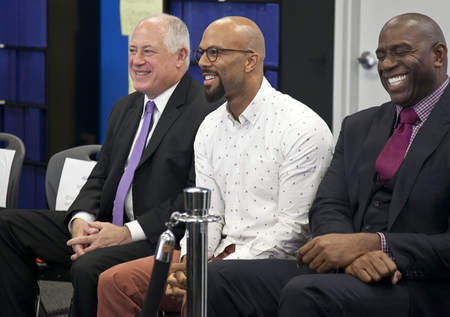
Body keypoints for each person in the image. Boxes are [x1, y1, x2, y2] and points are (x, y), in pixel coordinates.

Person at [205, 12, 450, 317]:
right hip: (350, 273)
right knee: (216, 280)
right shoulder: (359, 126)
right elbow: (328, 205)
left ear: (438, 55)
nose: (387, 65)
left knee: (307, 293)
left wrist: (374, 245)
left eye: (400, 52)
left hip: (428, 287)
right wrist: (349, 256)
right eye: (382, 55)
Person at [95, 16, 334, 317]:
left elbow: (292, 231)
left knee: (200, 292)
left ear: (250, 61)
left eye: (215, 53)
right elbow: (207, 216)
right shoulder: (210, 126)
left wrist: (209, 270)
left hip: (274, 265)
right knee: (115, 282)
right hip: (214, 258)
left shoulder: (301, 127)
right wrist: (192, 262)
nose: (203, 63)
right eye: (202, 53)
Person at [0, 13, 218, 317]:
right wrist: (81, 219)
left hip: (153, 236)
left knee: (89, 268)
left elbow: (192, 197)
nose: (137, 61)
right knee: (7, 226)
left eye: (148, 51)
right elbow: (100, 175)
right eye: (132, 50)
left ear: (181, 57)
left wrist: (126, 233)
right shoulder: (125, 108)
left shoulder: (206, 113)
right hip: (105, 225)